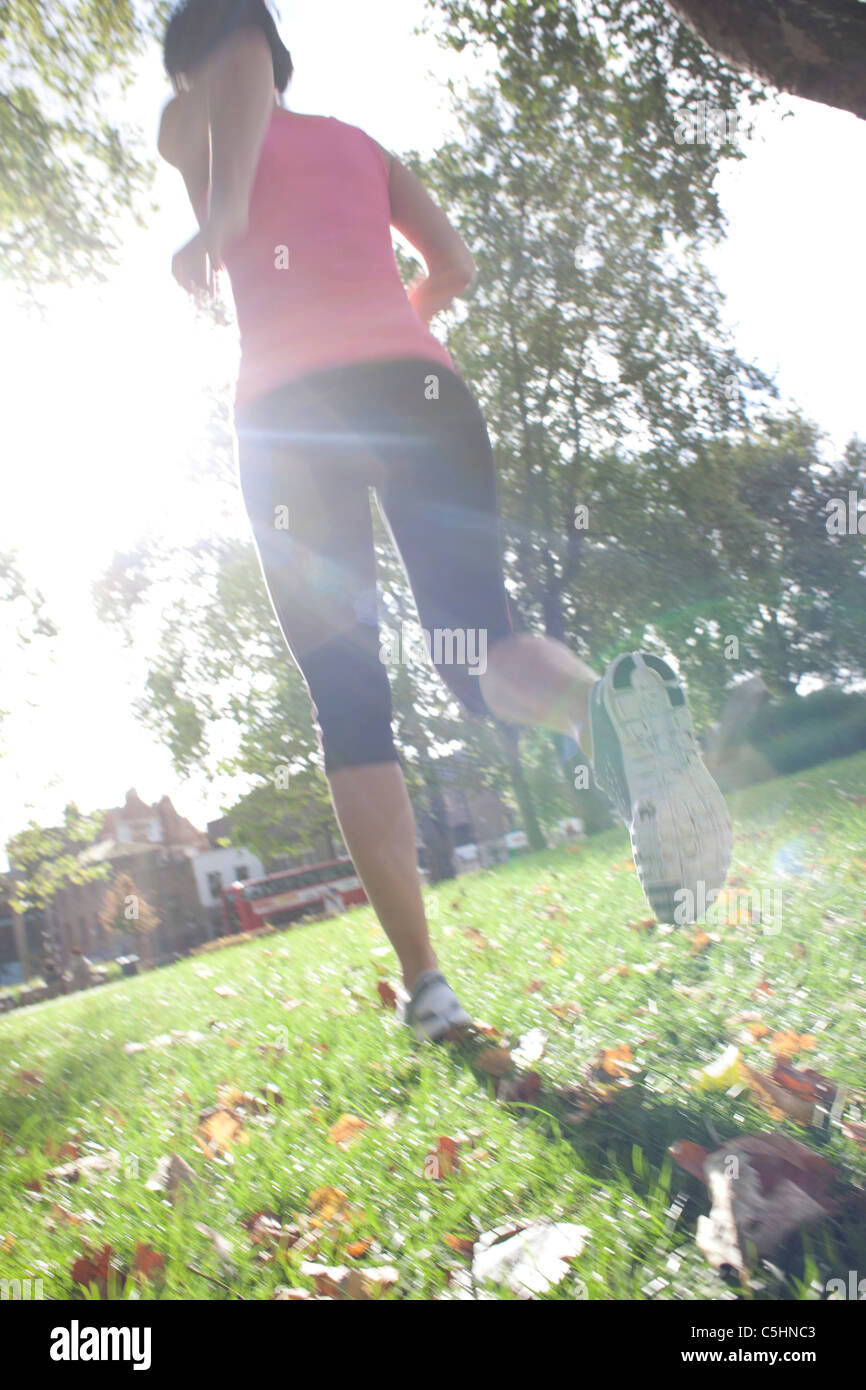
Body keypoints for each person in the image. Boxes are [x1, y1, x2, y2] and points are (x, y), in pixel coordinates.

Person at [158, 1, 732, 1041]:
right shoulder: (363, 149)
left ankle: (428, 984)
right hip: (421, 393)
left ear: (188, 59)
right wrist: (388, 335)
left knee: (348, 690)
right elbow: (453, 269)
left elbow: (227, 80)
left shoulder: (186, 125)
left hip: (294, 419)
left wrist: (221, 215)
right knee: (478, 647)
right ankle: (610, 715)